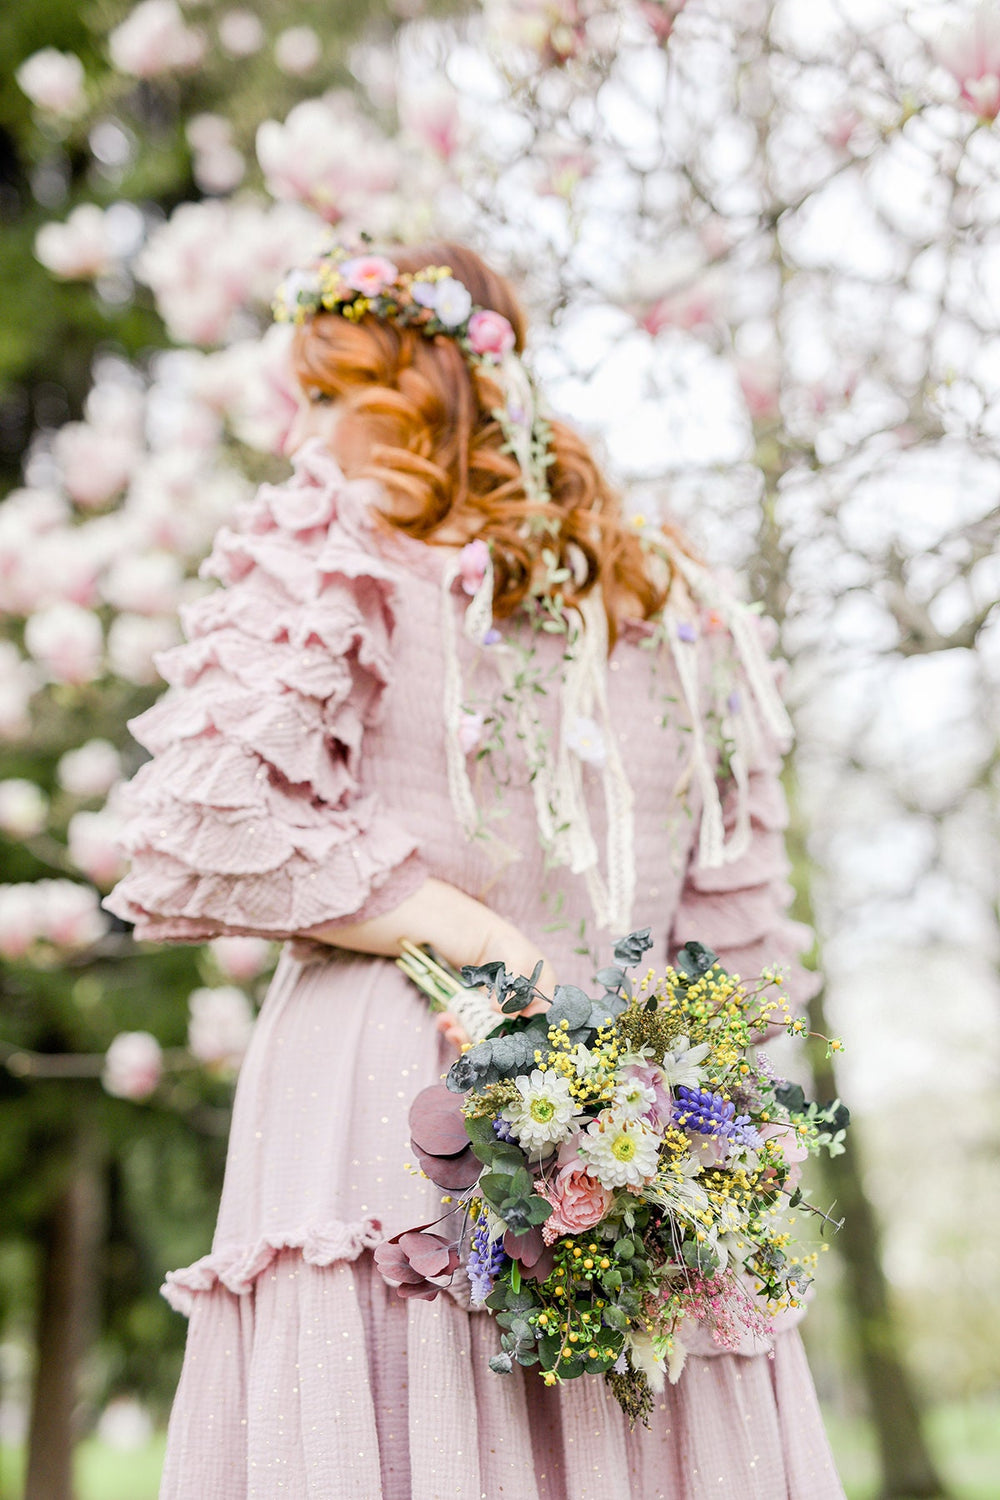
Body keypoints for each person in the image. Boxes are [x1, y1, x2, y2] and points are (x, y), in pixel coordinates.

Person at [106, 241, 845, 1499]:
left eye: (335, 394)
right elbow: (740, 947)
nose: (311, 433)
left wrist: (460, 931)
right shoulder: (681, 600)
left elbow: (204, 808)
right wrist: (683, 1128)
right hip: (631, 1095)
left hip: (391, 1087)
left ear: (423, 390)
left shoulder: (343, 545)